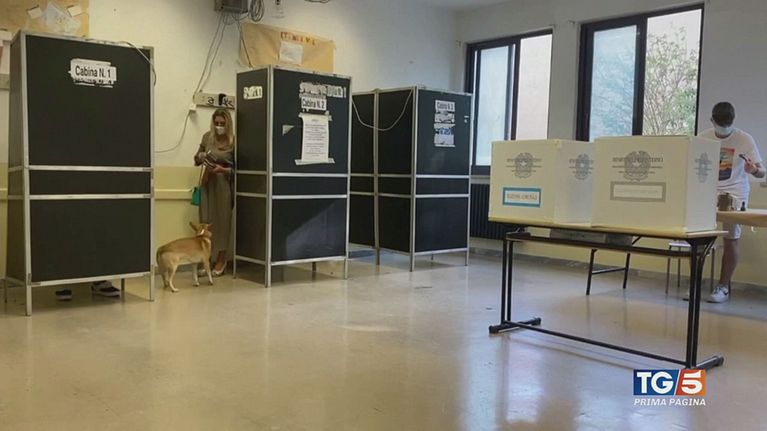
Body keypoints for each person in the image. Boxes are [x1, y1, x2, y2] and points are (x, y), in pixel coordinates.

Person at [698, 102, 765, 303]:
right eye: (720, 124)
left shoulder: (744, 139)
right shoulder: (703, 138)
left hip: (735, 191)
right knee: (698, 235)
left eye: (727, 124)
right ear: (712, 120)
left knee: (731, 238)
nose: (723, 128)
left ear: (733, 120)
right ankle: (696, 283)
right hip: (708, 190)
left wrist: (753, 170)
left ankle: (723, 286)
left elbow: (762, 172)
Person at [194, 108, 235, 276]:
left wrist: (223, 170)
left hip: (223, 184)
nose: (219, 126)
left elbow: (238, 169)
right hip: (207, 182)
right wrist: (200, 156)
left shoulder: (234, 141)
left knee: (222, 221)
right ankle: (206, 258)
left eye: (222, 123)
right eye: (216, 123)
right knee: (205, 220)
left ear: (228, 124)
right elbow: (196, 159)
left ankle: (221, 258)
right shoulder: (207, 137)